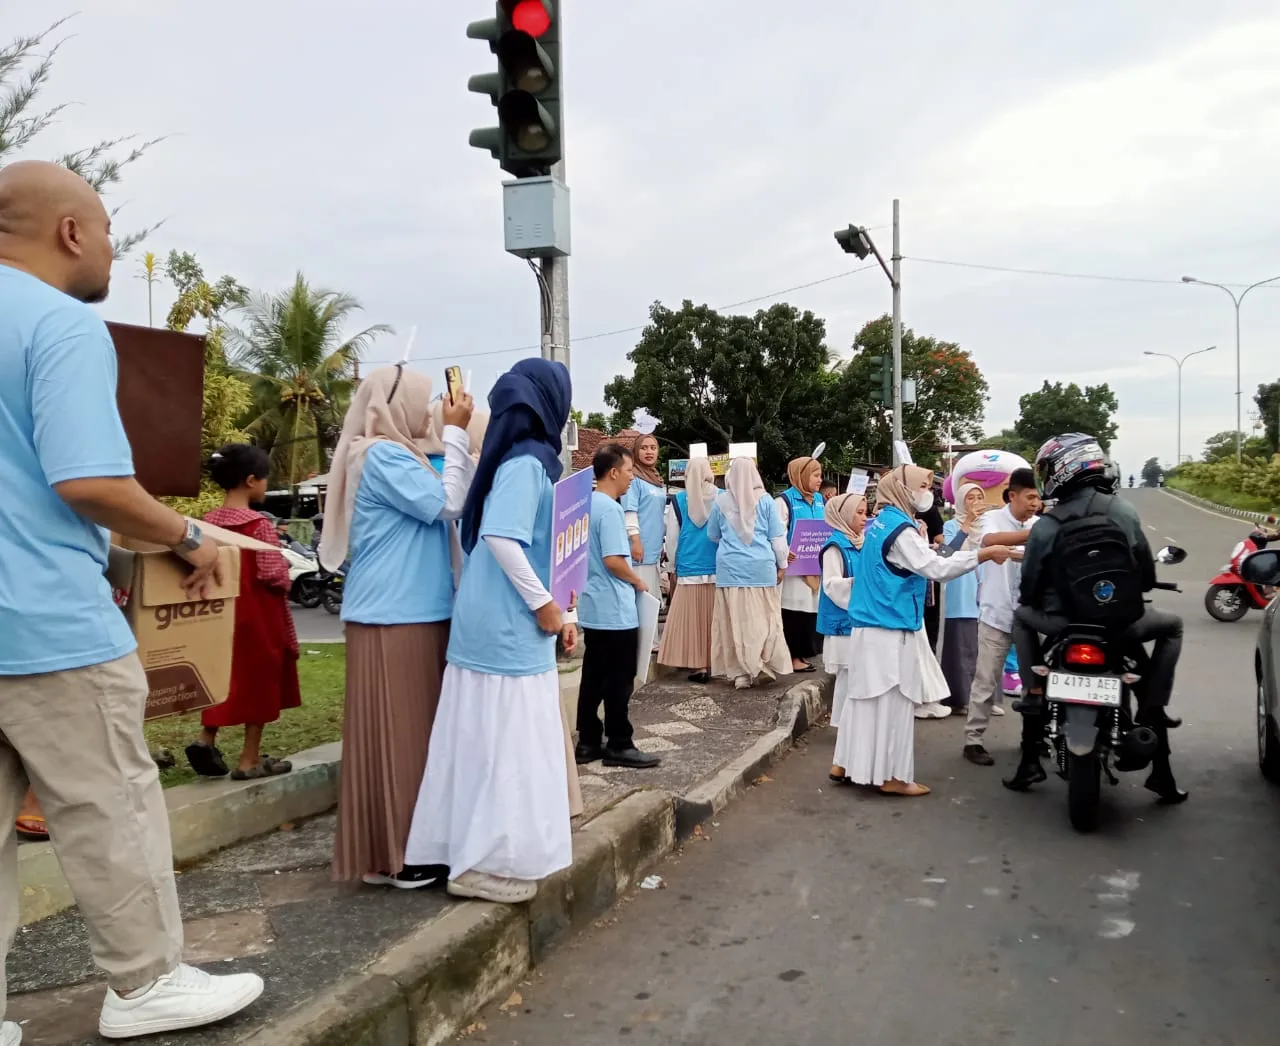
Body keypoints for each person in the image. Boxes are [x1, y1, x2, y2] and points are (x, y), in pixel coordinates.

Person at [0, 160, 263, 1040]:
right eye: (108, 227)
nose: (112, 245)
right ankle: (145, 984)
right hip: (49, 628)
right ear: (71, 232)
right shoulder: (60, 326)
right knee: (110, 804)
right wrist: (188, 539)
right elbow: (88, 481)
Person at [403, 359, 577, 904]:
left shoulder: (513, 461)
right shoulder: (529, 464)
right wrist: (546, 605)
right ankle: (481, 864)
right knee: (507, 743)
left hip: (490, 621)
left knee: (478, 739)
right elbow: (504, 539)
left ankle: (458, 848)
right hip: (507, 623)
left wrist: (560, 611)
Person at [317, 366, 476, 888]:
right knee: (398, 740)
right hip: (394, 614)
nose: (428, 408)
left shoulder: (397, 454)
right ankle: (400, 854)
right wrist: (455, 433)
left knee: (410, 737)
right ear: (395, 405)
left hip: (411, 612)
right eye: (420, 399)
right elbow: (447, 504)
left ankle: (405, 846)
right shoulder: (381, 455)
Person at [1007, 434, 1187, 802]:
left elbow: (1029, 588)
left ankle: (1033, 704)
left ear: (1061, 471)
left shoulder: (1046, 524)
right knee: (1172, 627)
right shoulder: (1123, 511)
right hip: (1121, 626)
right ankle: (1158, 736)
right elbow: (1146, 575)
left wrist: (1045, 602)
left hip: (1063, 626)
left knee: (1022, 618)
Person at [833, 466, 1014, 796]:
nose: (927, 492)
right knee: (894, 705)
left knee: (863, 702)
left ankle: (847, 764)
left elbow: (920, 559)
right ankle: (893, 777)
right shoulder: (900, 529)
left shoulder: (882, 523)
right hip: (890, 628)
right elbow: (936, 569)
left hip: (870, 626)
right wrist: (984, 554)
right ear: (903, 488)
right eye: (922, 485)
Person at [184, 444, 301, 780]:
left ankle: (206, 739)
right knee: (260, 683)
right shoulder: (259, 526)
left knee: (219, 676)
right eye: (264, 478)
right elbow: (273, 575)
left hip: (219, 615)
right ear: (251, 481)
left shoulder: (205, 523)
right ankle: (249, 759)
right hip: (259, 617)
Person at [575, 444, 660, 769]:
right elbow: (613, 559)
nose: (630, 478)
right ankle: (619, 743)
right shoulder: (610, 508)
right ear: (613, 472)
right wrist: (637, 581)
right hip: (615, 608)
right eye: (628, 472)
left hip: (593, 605)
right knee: (619, 679)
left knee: (593, 676)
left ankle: (588, 741)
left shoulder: (585, 505)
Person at [962, 468, 1040, 766]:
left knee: (1035, 682)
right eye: (1030, 497)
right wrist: (1035, 537)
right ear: (1012, 496)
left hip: (1031, 618)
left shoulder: (1039, 523)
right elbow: (989, 541)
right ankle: (973, 740)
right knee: (986, 680)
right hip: (996, 615)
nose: (1034, 503)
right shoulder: (992, 518)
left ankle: (1032, 738)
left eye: (1038, 498)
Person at [708, 456, 793, 689]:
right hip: (761, 570)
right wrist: (783, 565)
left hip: (730, 570)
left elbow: (712, 535)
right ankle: (762, 664)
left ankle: (740, 674)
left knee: (734, 621)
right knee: (763, 620)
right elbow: (777, 539)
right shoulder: (765, 501)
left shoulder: (721, 501)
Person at [817, 493, 866, 784]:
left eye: (865, 512)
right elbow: (832, 585)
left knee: (853, 674)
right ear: (844, 516)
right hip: (842, 620)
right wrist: (864, 586)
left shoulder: (859, 543)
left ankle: (845, 724)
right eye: (859, 513)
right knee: (849, 674)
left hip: (856, 617)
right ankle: (846, 726)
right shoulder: (835, 546)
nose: (864, 517)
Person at [657, 456, 718, 684]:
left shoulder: (679, 500)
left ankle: (698, 665)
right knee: (715, 617)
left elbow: (672, 538)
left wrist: (672, 566)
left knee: (691, 619)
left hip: (689, 566)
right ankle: (717, 661)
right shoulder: (721, 498)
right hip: (718, 565)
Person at [938, 483, 986, 714]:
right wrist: (966, 525)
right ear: (960, 502)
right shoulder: (950, 525)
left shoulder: (990, 527)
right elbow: (946, 554)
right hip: (960, 592)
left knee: (982, 650)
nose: (975, 501)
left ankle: (984, 700)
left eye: (979, 497)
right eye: (970, 498)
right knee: (960, 649)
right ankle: (959, 699)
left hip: (984, 593)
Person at [776, 456, 826, 672]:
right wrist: (785, 553)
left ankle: (806, 651)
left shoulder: (819, 500)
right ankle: (793, 655)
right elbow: (777, 533)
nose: (820, 480)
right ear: (802, 475)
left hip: (814, 566)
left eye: (820, 475)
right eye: (815, 475)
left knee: (810, 609)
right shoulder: (784, 501)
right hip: (794, 569)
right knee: (794, 610)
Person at [622, 433, 666, 606]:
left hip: (653, 552)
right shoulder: (634, 479)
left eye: (653, 448)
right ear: (636, 451)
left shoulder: (655, 479)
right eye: (644, 447)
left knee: (652, 605)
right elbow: (629, 511)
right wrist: (635, 541)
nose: (649, 452)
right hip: (639, 552)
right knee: (642, 604)